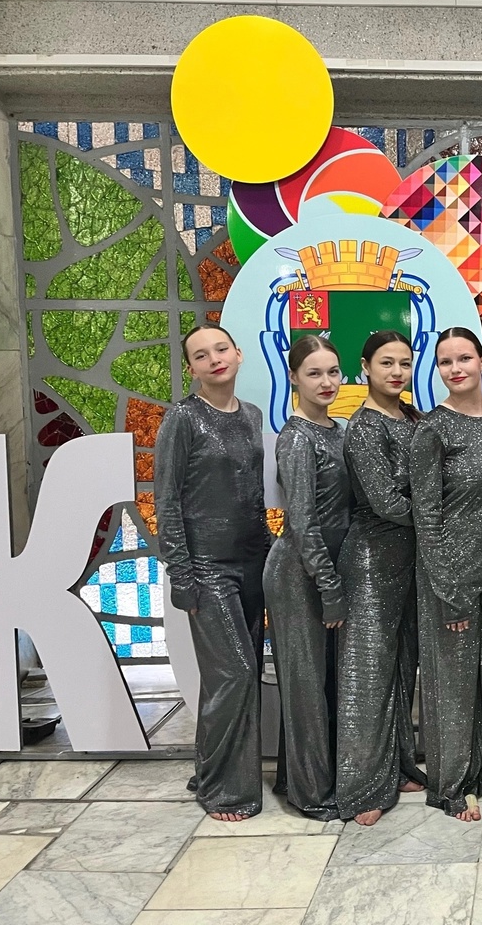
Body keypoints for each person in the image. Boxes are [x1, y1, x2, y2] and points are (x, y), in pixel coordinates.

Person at [410, 327, 482, 822]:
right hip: (450, 575)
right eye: (445, 362)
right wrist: (446, 588)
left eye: (463, 358)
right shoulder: (432, 429)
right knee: (453, 683)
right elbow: (426, 516)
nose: (455, 369)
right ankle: (452, 785)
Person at [155, 323, 269, 822]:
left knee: (232, 677)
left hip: (252, 563)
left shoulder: (252, 415)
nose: (214, 359)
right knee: (236, 674)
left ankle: (209, 770)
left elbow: (254, 494)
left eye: (221, 349)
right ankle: (225, 792)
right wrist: (182, 574)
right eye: (201, 355)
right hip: (206, 568)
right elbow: (166, 500)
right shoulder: (182, 418)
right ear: (192, 368)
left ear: (238, 354)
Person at [336, 331, 427, 826]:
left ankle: (400, 767)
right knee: (368, 678)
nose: (396, 372)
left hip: (412, 560)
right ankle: (363, 789)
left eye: (405, 363)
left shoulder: (413, 417)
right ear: (366, 367)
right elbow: (386, 502)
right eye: (386, 363)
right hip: (371, 561)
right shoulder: (364, 427)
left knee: (401, 669)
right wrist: (441, 520)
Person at [263, 335, 350, 822]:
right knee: (305, 687)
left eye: (333, 371)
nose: (326, 382)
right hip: (299, 574)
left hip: (327, 571)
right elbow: (301, 522)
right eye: (314, 373)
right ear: (294, 378)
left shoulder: (339, 431)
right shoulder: (296, 437)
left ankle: (295, 776)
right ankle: (311, 794)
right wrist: (329, 586)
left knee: (323, 683)